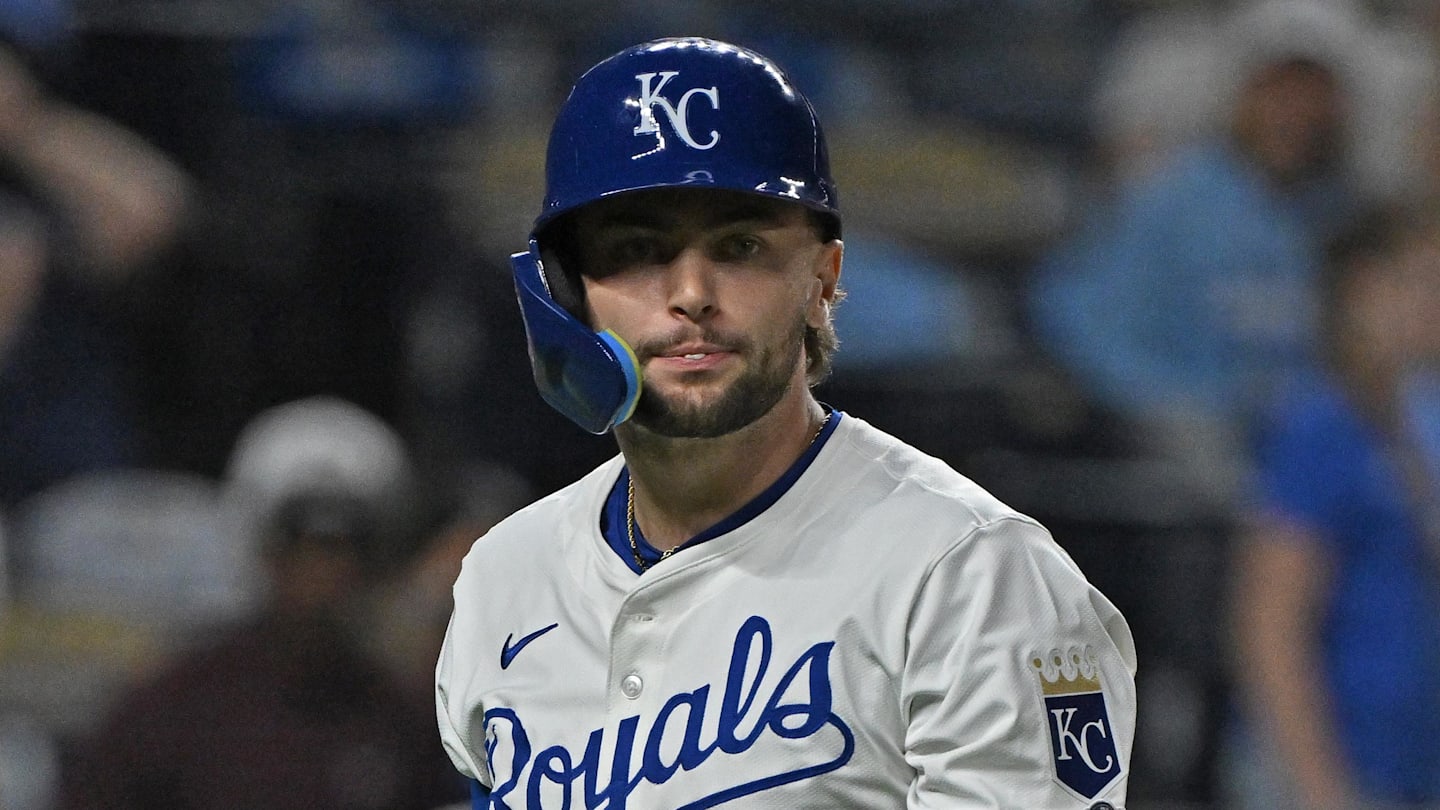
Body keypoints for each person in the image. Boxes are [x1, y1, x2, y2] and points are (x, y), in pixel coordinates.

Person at [435, 37, 1137, 809]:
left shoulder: (971, 578)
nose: (693, 293)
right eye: (637, 251)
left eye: (740, 247)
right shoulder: (506, 579)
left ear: (822, 279)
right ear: (565, 295)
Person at [1027, 0, 1371, 503]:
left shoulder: (1349, 215)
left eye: (1312, 93)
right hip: (1186, 448)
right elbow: (1078, 321)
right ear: (1240, 95)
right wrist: (1176, 404)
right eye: (1275, 90)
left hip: (1309, 442)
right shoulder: (1171, 198)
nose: (1293, 112)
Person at [1227, 197, 1440, 809]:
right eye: (1426, 282)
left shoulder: (1409, 427)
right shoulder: (1319, 428)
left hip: (1409, 765)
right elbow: (1271, 624)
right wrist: (1320, 789)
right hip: (1338, 770)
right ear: (1365, 286)